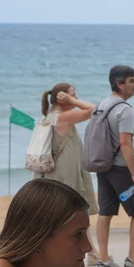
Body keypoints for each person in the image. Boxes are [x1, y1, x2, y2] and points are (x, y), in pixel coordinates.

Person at [92, 64, 134, 267]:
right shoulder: (124, 110)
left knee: (105, 211)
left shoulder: (101, 105)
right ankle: (133, 258)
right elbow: (125, 143)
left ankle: (104, 259)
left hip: (103, 167)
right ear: (119, 83)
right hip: (122, 170)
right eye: (132, 81)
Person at [35, 82, 97, 216]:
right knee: (69, 209)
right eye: (73, 95)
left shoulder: (49, 116)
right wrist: (74, 101)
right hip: (65, 171)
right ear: (62, 98)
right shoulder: (63, 117)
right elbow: (98, 111)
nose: (76, 98)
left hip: (53, 171)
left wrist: (71, 100)